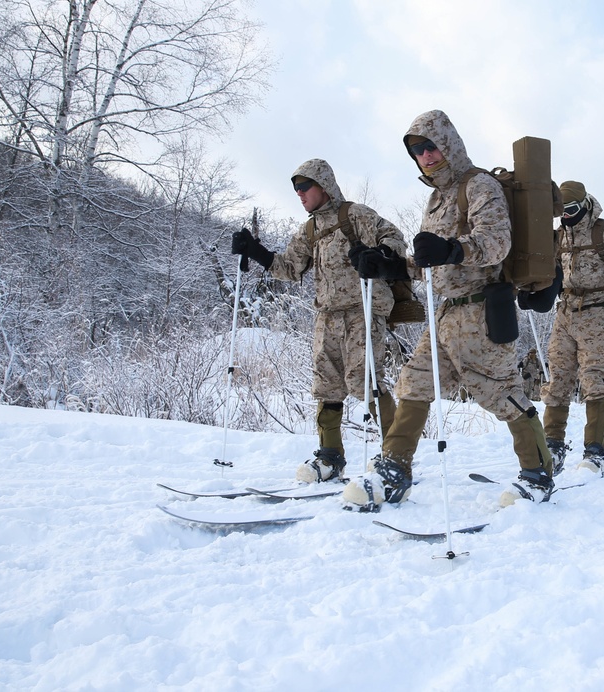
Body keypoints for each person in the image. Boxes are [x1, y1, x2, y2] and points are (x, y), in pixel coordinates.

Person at [341, 109, 555, 509]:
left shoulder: (479, 186)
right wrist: (390, 265)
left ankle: (538, 473)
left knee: (501, 394)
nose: (425, 155)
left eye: (430, 145)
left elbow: (496, 243)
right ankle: (394, 470)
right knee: (414, 383)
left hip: (480, 312)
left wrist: (454, 248)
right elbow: (427, 261)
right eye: (416, 151)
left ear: (449, 144)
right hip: (443, 315)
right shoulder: (435, 199)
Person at [234, 159, 407, 483]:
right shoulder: (309, 230)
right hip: (327, 314)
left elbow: (394, 237)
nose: (299, 195)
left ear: (323, 186)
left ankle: (395, 455)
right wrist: (255, 250)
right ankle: (330, 457)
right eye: (296, 189)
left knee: (365, 378)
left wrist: (381, 256)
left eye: (304, 187)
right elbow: (289, 268)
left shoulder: (355, 215)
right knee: (326, 383)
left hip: (362, 308)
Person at [539, 181, 604, 475]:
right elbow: (548, 269)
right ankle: (553, 444)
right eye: (560, 211)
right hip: (566, 313)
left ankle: (595, 450)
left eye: (571, 210)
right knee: (558, 376)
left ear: (585, 205)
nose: (566, 216)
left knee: (594, 378)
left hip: (599, 313)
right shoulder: (559, 236)